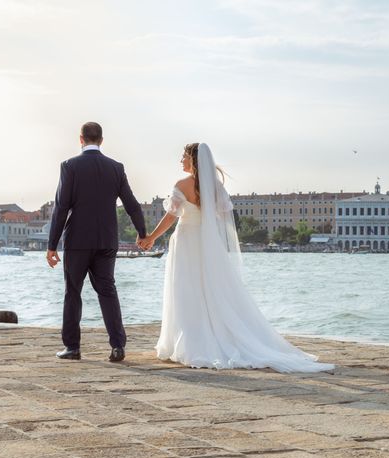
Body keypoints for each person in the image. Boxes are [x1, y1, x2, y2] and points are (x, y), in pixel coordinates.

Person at [138, 143, 333, 373]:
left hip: (186, 241)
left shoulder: (181, 185)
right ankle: (212, 337)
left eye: (183, 156)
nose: (180, 160)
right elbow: (221, 216)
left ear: (192, 160)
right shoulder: (215, 187)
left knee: (186, 287)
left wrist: (151, 237)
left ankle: (188, 341)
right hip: (207, 242)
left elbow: (171, 218)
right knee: (211, 288)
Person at [47, 122, 146, 362]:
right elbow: (131, 204)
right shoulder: (116, 167)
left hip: (78, 241)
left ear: (80, 139)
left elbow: (61, 207)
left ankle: (72, 348)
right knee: (107, 290)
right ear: (101, 140)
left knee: (73, 292)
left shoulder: (70, 166)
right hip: (106, 240)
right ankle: (118, 346)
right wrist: (142, 233)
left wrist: (52, 245)